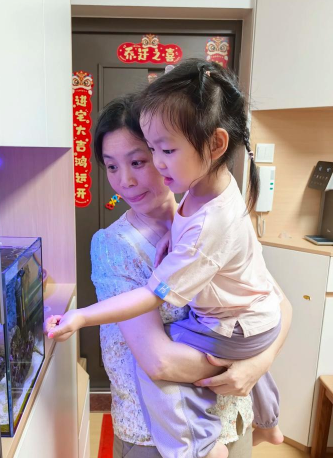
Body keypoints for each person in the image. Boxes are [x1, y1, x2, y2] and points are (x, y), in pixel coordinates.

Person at [47, 60, 286, 458]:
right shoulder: (115, 244)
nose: (125, 180)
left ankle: (268, 421)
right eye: (111, 166)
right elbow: (159, 362)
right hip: (158, 438)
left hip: (232, 415)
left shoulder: (207, 217)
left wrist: (256, 364)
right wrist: (246, 365)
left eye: (140, 160)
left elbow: (276, 303)